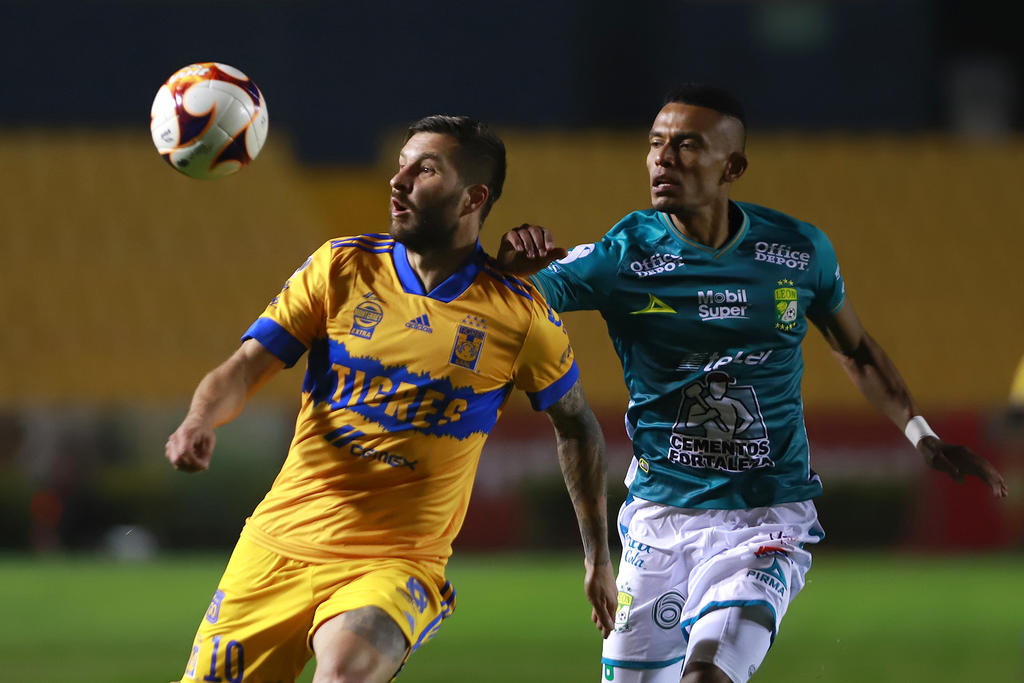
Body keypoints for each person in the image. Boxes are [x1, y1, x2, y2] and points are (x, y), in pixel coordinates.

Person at [497, 84, 1007, 683]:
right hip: (661, 516)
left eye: (687, 146)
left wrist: (921, 434)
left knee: (707, 675)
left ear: (733, 167)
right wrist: (509, 273)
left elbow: (857, 350)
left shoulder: (798, 251)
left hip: (766, 517)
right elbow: (509, 308)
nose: (664, 159)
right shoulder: (623, 255)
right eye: (656, 144)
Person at [165, 114, 618, 683]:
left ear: (473, 197)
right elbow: (245, 368)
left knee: (346, 674)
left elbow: (577, 424)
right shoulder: (342, 267)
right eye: (401, 165)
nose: (398, 181)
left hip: (396, 561)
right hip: (277, 545)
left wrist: (597, 556)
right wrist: (200, 419)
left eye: (424, 170)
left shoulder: (518, 315)